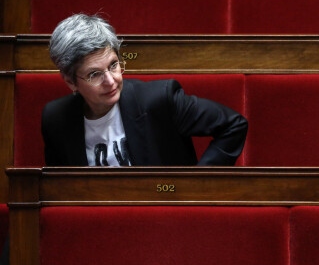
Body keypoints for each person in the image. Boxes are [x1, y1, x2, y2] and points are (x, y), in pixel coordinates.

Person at [42, 13, 248, 166]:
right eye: (94, 74)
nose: (111, 81)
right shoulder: (56, 118)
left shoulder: (160, 99)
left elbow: (233, 125)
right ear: (70, 82)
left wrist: (195, 184)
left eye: (113, 65)